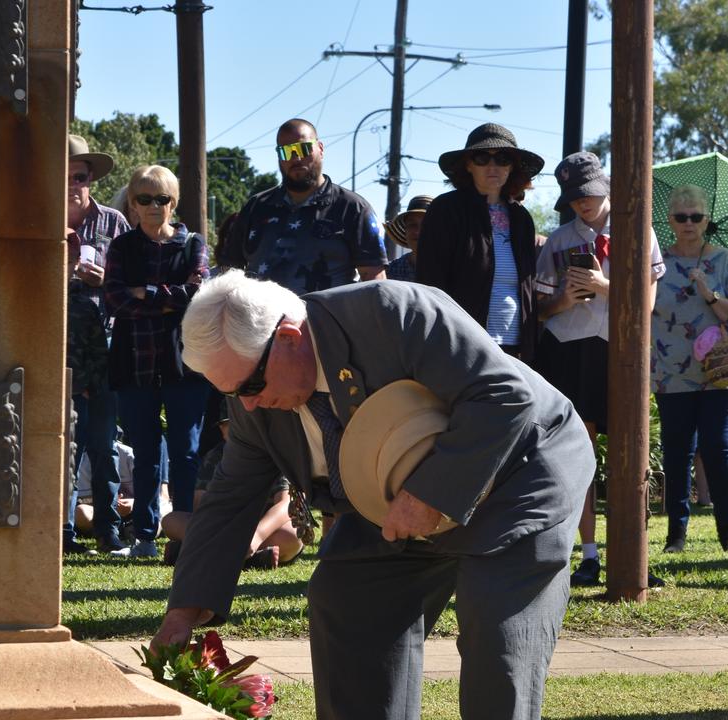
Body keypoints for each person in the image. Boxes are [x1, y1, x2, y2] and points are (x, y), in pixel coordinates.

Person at [151, 272, 591, 720]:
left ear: (287, 337)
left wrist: (429, 492)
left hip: (519, 471)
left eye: (249, 386)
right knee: (348, 600)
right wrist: (184, 611)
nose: (246, 405)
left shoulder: (392, 312)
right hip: (393, 500)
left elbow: (501, 395)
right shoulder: (256, 401)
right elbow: (230, 500)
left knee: (496, 637)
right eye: (229, 393)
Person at [536, 152, 665, 586]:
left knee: (632, 453)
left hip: (622, 348)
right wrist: (564, 301)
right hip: (572, 351)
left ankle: (634, 553)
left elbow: (646, 305)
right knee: (581, 453)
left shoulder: (636, 232)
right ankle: (588, 554)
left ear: (606, 187)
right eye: (573, 199)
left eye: (588, 194)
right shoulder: (557, 242)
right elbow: (540, 309)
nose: (582, 205)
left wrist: (603, 287)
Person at [105, 165, 211, 559]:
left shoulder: (192, 244)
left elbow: (197, 295)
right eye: (144, 199)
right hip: (133, 363)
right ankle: (145, 537)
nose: (153, 207)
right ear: (132, 204)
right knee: (145, 452)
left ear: (174, 203)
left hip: (186, 364)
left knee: (186, 450)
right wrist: (166, 299)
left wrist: (143, 293)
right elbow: (113, 299)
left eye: (162, 199)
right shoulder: (122, 247)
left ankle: (184, 532)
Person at [651, 183, 728, 556]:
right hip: (671, 370)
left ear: (706, 220)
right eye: (681, 216)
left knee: (717, 446)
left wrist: (708, 292)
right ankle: (676, 534)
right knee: (676, 450)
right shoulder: (659, 263)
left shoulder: (725, 260)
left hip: (720, 371)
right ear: (671, 221)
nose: (689, 222)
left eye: (696, 216)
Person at [417, 123, 544, 363]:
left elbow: (528, 288)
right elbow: (430, 282)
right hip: (463, 345)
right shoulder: (446, 209)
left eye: (503, 159)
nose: (492, 166)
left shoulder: (522, 218)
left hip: (515, 346)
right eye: (482, 157)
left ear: (512, 167)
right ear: (468, 164)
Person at [221, 118, 386, 291]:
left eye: (304, 148)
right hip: (260, 316)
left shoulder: (352, 208)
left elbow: (374, 280)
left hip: (323, 317)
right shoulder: (255, 207)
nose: (296, 158)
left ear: (320, 149)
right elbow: (229, 272)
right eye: (286, 152)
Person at [64, 134, 131, 556]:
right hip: (59, 351)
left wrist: (103, 279)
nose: (73, 184)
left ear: (91, 178)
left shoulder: (113, 223)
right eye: (66, 176)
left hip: (105, 350)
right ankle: (62, 532)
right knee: (62, 446)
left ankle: (109, 530)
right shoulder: (39, 221)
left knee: (104, 446)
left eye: (80, 176)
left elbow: (129, 285)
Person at [160, 410, 305, 569]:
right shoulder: (216, 456)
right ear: (222, 430)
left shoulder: (279, 453)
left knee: (292, 535)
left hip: (268, 528)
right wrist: (224, 530)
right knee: (171, 521)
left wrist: (257, 535)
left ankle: (203, 551)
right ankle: (253, 558)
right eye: (231, 425)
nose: (241, 430)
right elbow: (201, 503)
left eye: (247, 423)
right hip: (223, 527)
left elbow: (285, 506)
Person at [382, 195, 433, 282]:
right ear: (405, 229)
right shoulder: (390, 272)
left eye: (426, 225)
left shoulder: (453, 269)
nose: (418, 232)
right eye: (412, 225)